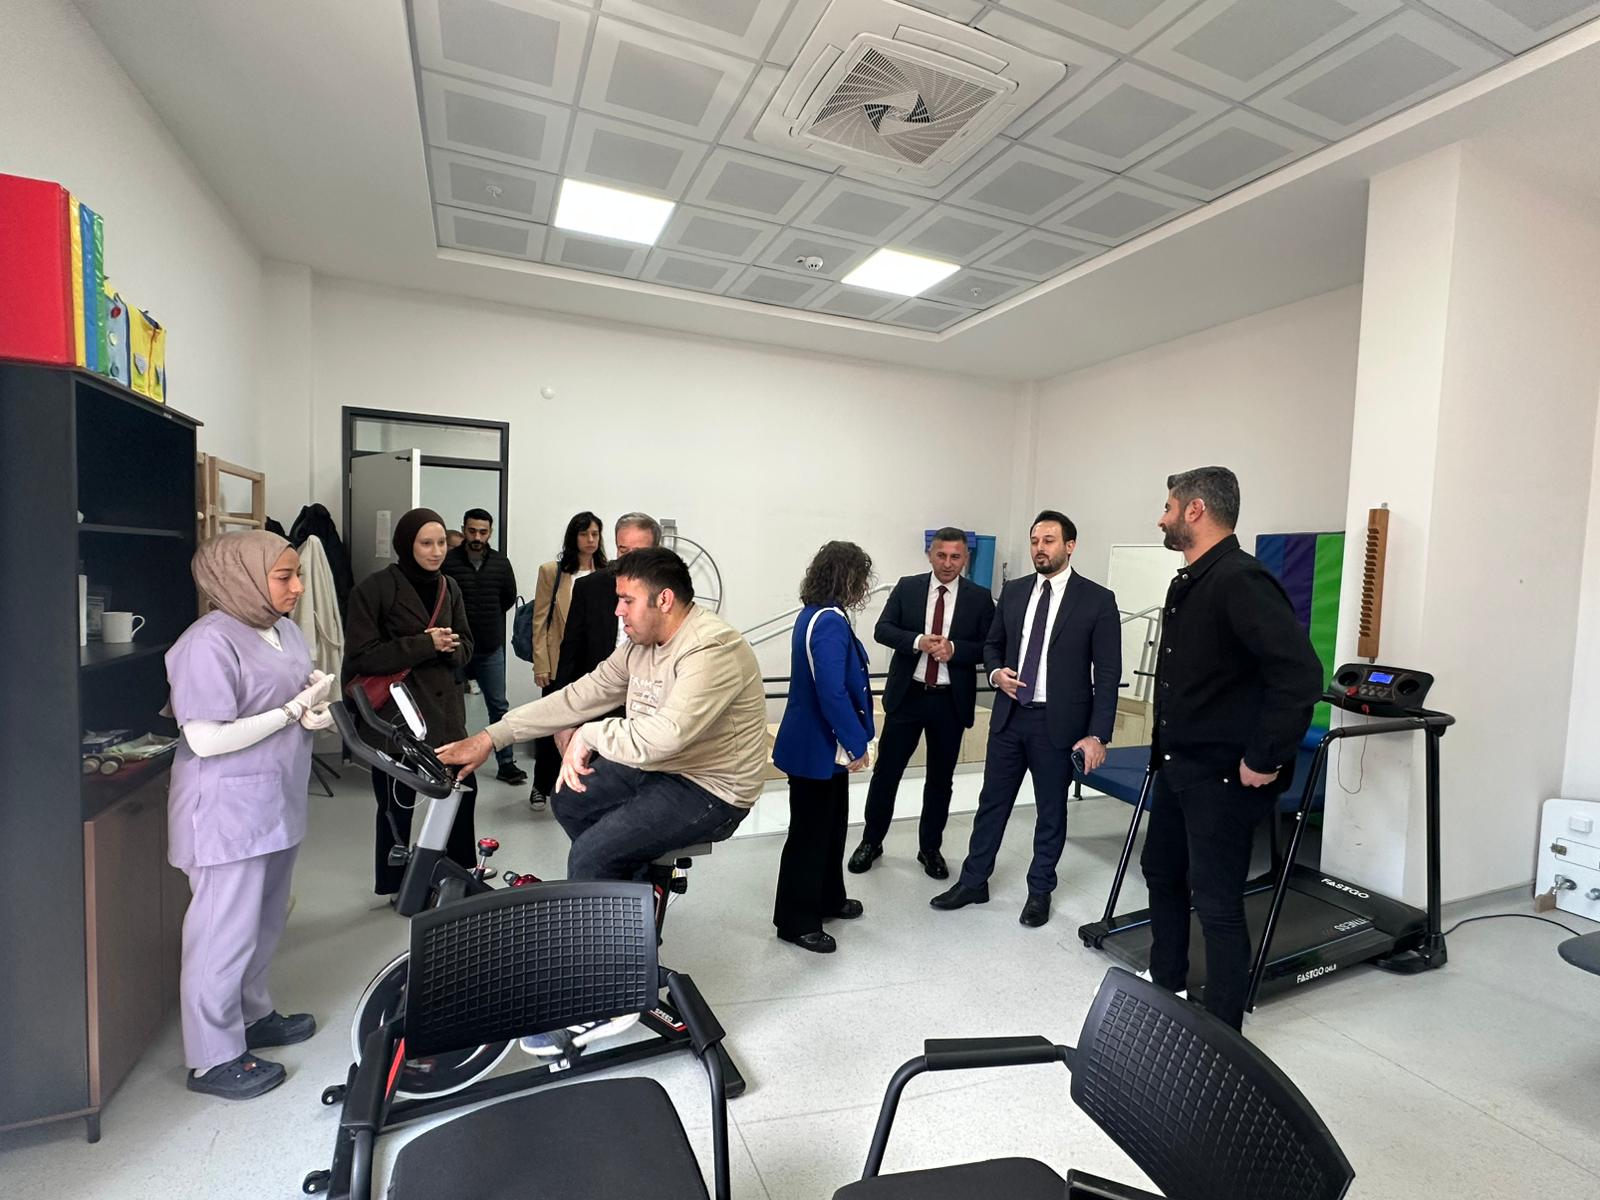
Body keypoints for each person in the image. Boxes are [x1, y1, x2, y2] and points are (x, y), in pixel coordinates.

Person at [439, 546, 766, 883]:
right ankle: (631, 891)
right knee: (568, 799)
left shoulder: (710, 648)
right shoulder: (639, 646)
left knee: (592, 855)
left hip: (709, 789)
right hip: (659, 766)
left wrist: (588, 734)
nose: (617, 610)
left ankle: (618, 896)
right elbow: (578, 697)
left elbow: (668, 736)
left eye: (627, 600)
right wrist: (490, 737)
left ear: (664, 600)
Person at [1143, 466, 1324, 1031]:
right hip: (1177, 766)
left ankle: (1222, 1030)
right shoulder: (1190, 581)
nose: (1162, 518)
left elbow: (1298, 675)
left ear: (1195, 510)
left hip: (1221, 775)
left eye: (1168, 507)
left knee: (1216, 900)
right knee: (1160, 871)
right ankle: (1166, 985)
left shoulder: (1241, 579)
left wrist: (1265, 757)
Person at [165, 531, 337, 1100]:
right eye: (284, 576)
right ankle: (212, 1057)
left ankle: (252, 1014)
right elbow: (207, 738)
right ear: (240, 577)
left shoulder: (283, 629)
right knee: (223, 933)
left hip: (276, 800)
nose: (297, 586)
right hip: (226, 810)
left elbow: (289, 693)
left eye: (297, 574)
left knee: (264, 921)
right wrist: (291, 711)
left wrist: (311, 710)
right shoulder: (207, 643)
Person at [932, 511, 1121, 928]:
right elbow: (992, 645)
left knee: (1051, 812)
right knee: (991, 804)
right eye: (1035, 540)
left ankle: (1040, 892)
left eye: (1049, 540)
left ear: (1070, 546)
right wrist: (996, 673)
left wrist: (1098, 735)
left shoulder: (1097, 600)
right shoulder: (1014, 592)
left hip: (1059, 724)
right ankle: (973, 881)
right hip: (1010, 717)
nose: (1040, 548)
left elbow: (1108, 673)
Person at [344, 507, 478, 897]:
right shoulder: (374, 589)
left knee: (460, 793)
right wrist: (425, 644)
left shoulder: (450, 587)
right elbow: (362, 657)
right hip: (394, 718)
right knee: (395, 802)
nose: (436, 552)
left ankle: (458, 876)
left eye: (441, 543)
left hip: (445, 714)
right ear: (406, 545)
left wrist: (452, 648)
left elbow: (468, 644)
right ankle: (396, 883)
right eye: (426, 543)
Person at [850, 528, 995, 880]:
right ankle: (871, 841)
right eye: (941, 555)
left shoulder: (979, 598)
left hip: (950, 702)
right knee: (887, 774)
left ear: (966, 558)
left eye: (955, 557)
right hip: (908, 696)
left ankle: (930, 848)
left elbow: (990, 646)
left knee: (940, 781)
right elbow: (883, 629)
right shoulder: (908, 587)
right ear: (930, 554)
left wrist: (955, 649)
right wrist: (917, 641)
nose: (947, 563)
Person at [772, 542, 877, 954]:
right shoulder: (828, 621)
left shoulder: (817, 614)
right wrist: (856, 743)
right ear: (848, 577)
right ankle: (796, 922)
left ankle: (829, 898)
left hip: (820, 749)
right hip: (817, 748)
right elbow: (831, 691)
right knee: (810, 836)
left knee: (831, 829)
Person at [529, 512, 663, 809]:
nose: (630, 559)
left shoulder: (668, 593)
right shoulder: (591, 587)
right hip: (600, 700)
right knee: (592, 790)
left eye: (639, 552)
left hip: (649, 705)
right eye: (623, 550)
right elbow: (571, 651)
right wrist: (565, 717)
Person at [526, 511, 608, 807]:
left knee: (592, 725)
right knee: (551, 724)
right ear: (573, 537)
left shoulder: (608, 572)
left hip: (596, 662)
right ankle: (541, 785)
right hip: (560, 660)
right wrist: (541, 664)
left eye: (595, 534)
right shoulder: (553, 572)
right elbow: (540, 621)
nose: (590, 540)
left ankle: (585, 786)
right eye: (584, 534)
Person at [441, 507, 524, 785]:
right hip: (456, 648)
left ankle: (507, 764)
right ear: (463, 529)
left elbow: (508, 597)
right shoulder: (448, 562)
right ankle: (454, 762)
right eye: (472, 531)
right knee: (453, 710)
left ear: (490, 533)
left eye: (483, 532)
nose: (477, 537)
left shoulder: (501, 563)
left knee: (499, 706)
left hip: (490, 647)